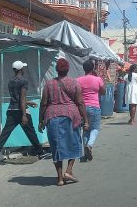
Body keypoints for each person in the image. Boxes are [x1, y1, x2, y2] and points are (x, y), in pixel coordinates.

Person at [0, 61, 51, 166]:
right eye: (23, 67)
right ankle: (40, 153)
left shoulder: (11, 82)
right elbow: (21, 98)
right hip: (20, 111)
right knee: (31, 132)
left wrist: (28, 102)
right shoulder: (23, 81)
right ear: (21, 69)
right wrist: (24, 114)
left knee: (5, 134)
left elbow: (16, 98)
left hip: (11, 111)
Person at [38, 58, 89, 186]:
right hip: (71, 116)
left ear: (56, 69)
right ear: (67, 69)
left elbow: (43, 103)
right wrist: (86, 120)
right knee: (75, 142)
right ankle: (69, 170)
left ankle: (60, 178)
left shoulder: (49, 84)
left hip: (52, 116)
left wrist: (40, 121)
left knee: (56, 146)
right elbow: (80, 102)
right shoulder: (74, 83)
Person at [77, 59, 105, 161]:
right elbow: (103, 92)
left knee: (85, 129)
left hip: (82, 108)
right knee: (95, 128)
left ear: (83, 68)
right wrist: (97, 77)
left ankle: (85, 153)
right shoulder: (97, 79)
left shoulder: (78, 80)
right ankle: (89, 145)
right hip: (94, 106)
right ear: (93, 68)